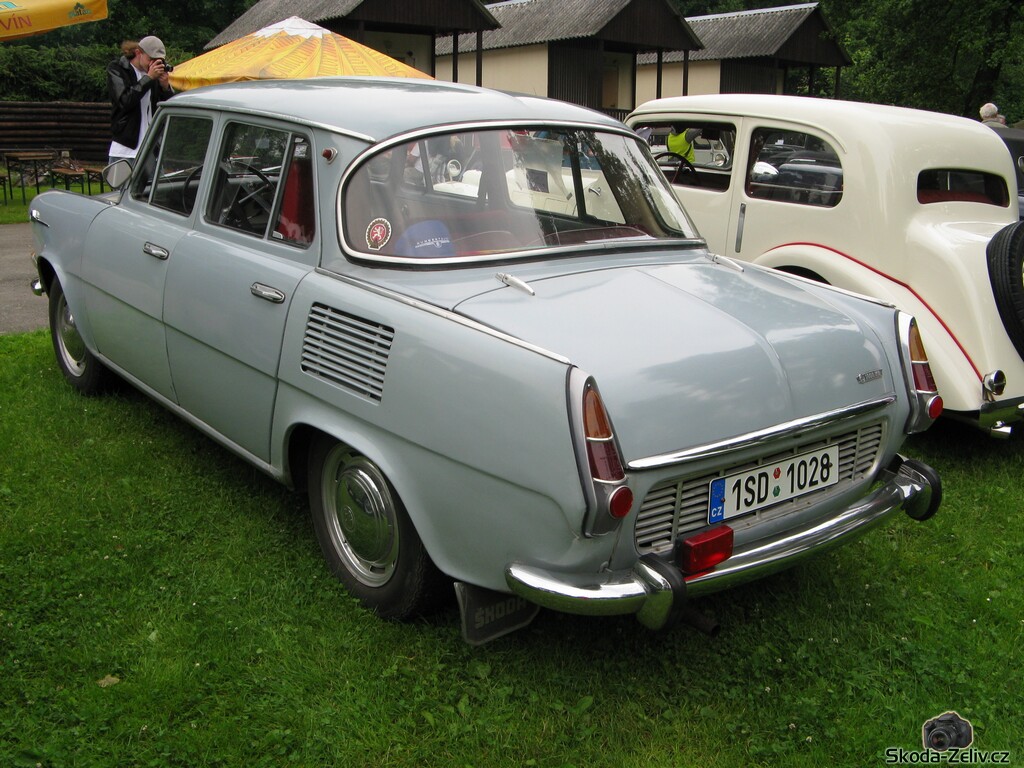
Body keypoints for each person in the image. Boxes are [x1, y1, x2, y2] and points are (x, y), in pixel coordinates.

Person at [107, 36, 174, 167]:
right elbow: (125, 101)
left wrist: (165, 87)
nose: (153, 64)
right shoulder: (117, 68)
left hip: (151, 150)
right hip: (125, 150)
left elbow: (169, 110)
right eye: (151, 59)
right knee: (122, 182)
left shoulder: (155, 74)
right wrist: (148, 78)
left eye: (158, 61)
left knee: (156, 181)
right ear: (138, 53)